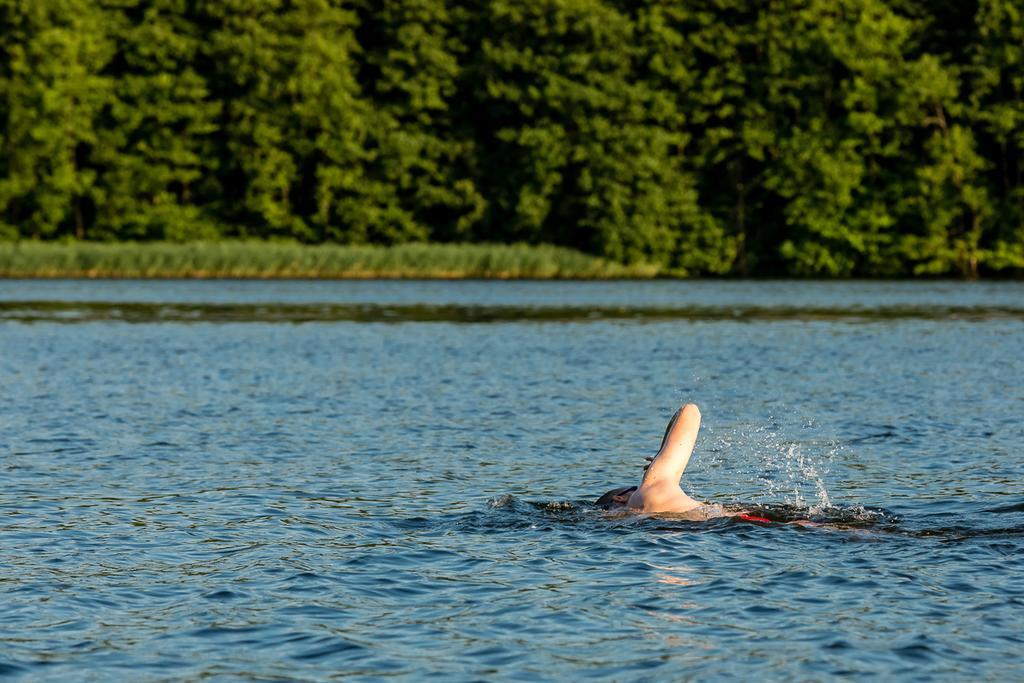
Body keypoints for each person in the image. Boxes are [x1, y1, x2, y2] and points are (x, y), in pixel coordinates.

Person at [595, 403, 733, 520]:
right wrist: (659, 458)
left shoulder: (638, 513)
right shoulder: (652, 484)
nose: (639, 486)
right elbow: (690, 411)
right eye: (634, 487)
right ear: (620, 498)